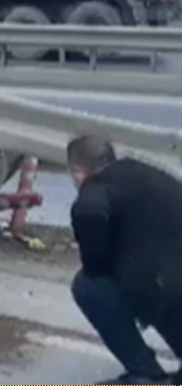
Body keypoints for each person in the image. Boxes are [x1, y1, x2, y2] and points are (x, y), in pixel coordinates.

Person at [68, 134, 182, 384]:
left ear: (77, 173)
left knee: (88, 286)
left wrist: (102, 264)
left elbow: (91, 212)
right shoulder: (146, 172)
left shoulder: (95, 191)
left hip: (169, 291)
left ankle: (146, 373)